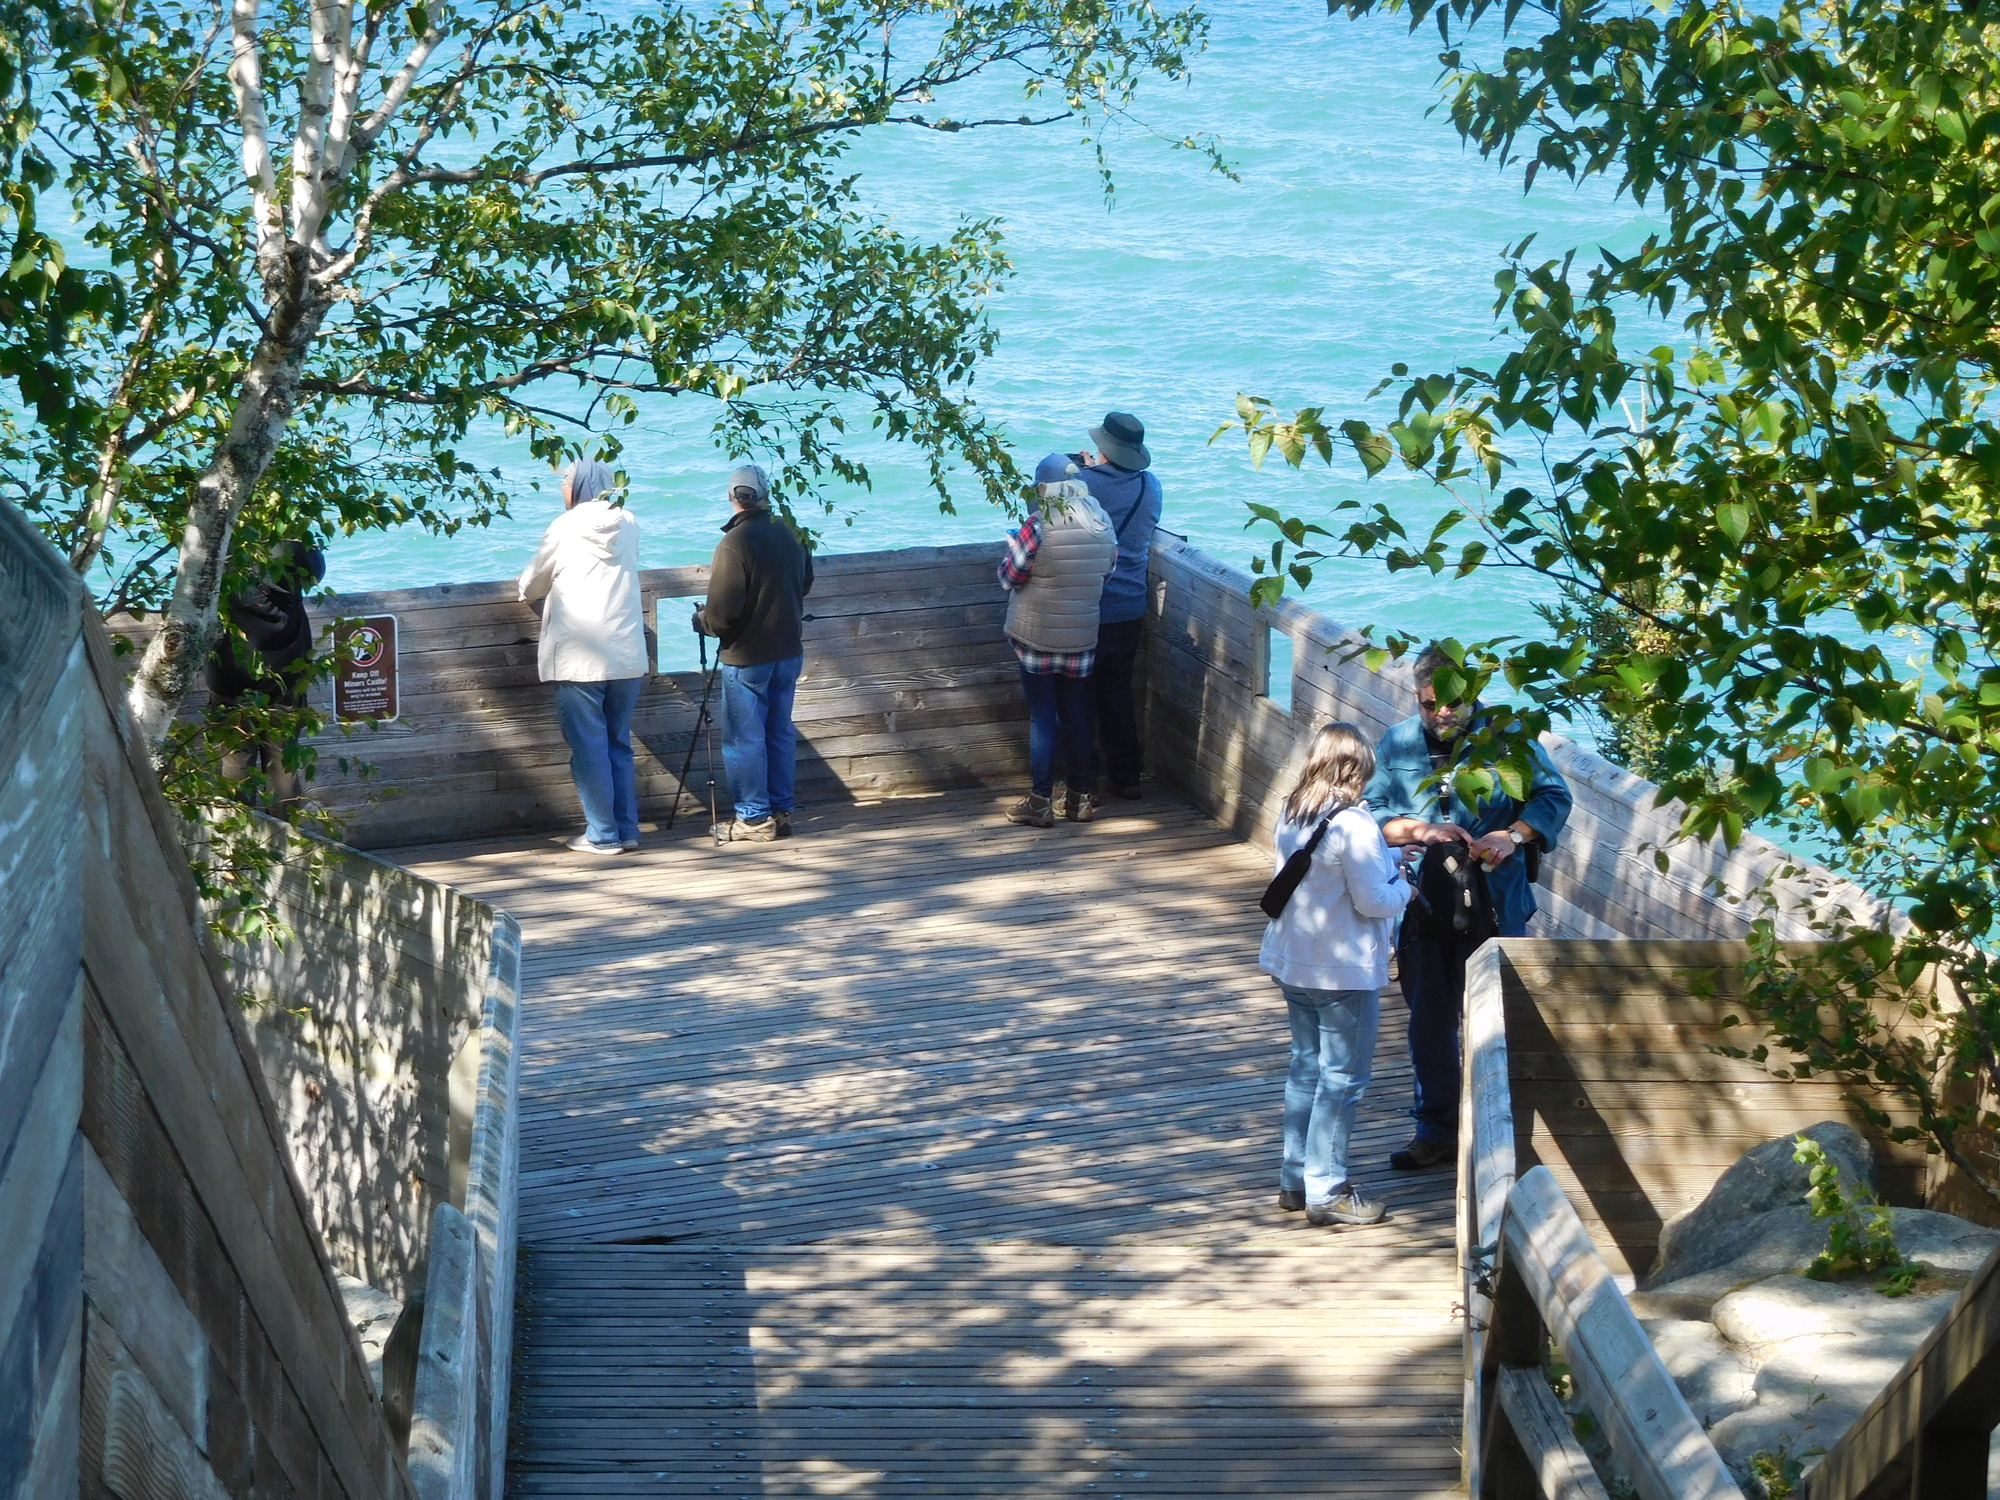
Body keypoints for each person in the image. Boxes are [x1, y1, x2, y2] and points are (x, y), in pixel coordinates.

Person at [1365, 645, 1573, 1170]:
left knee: (1499, 1023)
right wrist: (1418, 830)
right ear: (1417, 695)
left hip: (1497, 905)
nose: (1441, 715)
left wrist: (1514, 835)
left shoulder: (1509, 739)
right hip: (1422, 904)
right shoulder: (1398, 743)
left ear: (1474, 697)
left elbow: (1552, 797)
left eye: (1452, 704)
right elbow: (1372, 811)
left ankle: (1499, 1139)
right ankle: (1435, 1129)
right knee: (1429, 1023)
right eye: (1429, 704)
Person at [1261, 722, 1413, 1227]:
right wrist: (1406, 884)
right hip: (1340, 971)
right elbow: (1374, 901)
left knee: (1305, 1069)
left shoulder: (1294, 807)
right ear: (1356, 769)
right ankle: (1327, 1189)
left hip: (1293, 961)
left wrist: (1389, 857)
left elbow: (1323, 868)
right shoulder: (1355, 823)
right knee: (1343, 1080)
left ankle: (1295, 1177)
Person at [518, 458, 646, 855]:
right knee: (616, 743)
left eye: (566, 483)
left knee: (589, 748)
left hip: (581, 656)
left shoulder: (565, 527)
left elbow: (532, 583)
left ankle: (602, 835)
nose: (562, 490)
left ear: (580, 486)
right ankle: (626, 830)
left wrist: (526, 588)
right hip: (626, 654)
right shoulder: (629, 522)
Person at [1042, 410, 1162, 800]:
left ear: (1102, 449)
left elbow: (1042, 514)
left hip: (1086, 604)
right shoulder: (1151, 486)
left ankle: (1083, 780)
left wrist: (1078, 471)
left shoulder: (1083, 485)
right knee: (1117, 693)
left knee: (1076, 696)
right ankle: (1127, 776)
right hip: (1129, 605)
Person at [694, 464, 813, 843]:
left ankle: (754, 818)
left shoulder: (735, 542)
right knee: (778, 732)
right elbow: (805, 584)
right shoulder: (794, 532)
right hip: (788, 650)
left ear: (733, 498)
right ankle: (781, 809)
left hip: (747, 658)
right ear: (766, 495)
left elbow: (722, 613)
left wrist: (702, 622)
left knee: (744, 740)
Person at [997, 455, 1118, 827]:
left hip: (1036, 636)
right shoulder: (1101, 522)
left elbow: (1010, 576)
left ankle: (1040, 801)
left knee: (1043, 718)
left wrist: (1013, 546)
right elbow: (1107, 572)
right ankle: (1080, 797)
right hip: (1082, 635)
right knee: (1077, 714)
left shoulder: (1038, 524)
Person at [206, 539, 326, 813]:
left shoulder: (226, 565)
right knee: (283, 769)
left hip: (230, 684)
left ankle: (236, 843)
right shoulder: (293, 570)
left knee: (235, 767)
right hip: (284, 682)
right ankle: (284, 844)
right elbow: (315, 567)